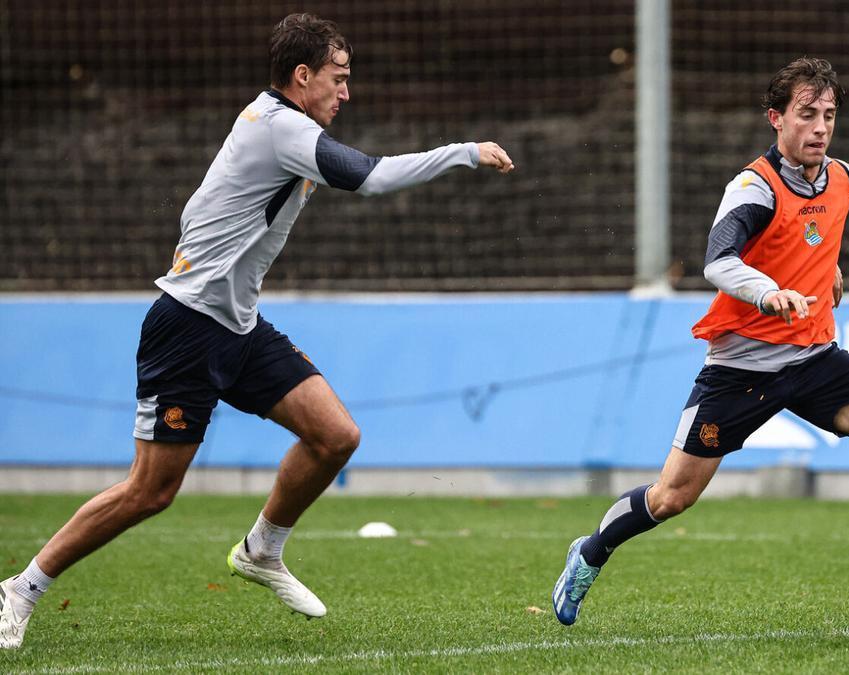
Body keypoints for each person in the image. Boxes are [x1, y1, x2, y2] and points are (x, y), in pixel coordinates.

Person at [0, 12, 515, 650]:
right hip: (187, 329)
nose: (346, 93)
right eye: (338, 78)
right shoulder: (281, 127)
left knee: (334, 435)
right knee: (149, 492)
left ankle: (260, 551)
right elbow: (373, 178)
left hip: (238, 328)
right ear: (303, 76)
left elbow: (199, 209)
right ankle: (20, 589)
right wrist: (463, 152)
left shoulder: (271, 123)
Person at [551, 57, 849, 626]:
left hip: (815, 360)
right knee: (671, 497)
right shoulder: (752, 188)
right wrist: (768, 293)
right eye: (806, 114)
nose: (819, 127)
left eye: (828, 115)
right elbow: (719, 262)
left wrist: (827, 270)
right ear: (776, 119)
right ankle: (589, 553)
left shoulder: (845, 178)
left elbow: (817, 234)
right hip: (742, 371)